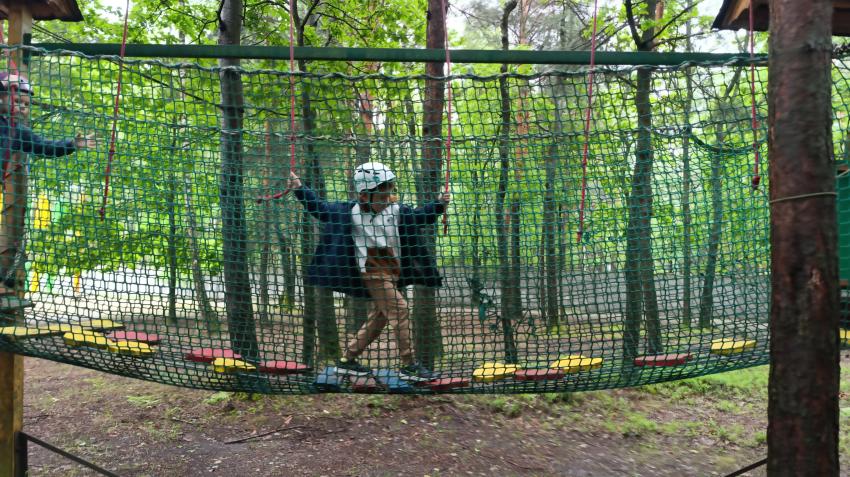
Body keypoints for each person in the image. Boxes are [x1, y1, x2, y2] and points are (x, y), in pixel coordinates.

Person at [289, 162, 451, 382]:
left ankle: (347, 360)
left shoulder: (397, 211)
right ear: (365, 196)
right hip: (372, 271)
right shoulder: (349, 212)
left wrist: (439, 204)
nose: (387, 199)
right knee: (400, 309)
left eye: (389, 193)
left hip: (393, 273)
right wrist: (299, 188)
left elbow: (420, 216)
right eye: (382, 195)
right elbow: (320, 209)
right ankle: (409, 365)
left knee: (379, 318)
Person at [0, 72, 95, 158]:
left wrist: (71, 144)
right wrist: (3, 84)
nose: (23, 107)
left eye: (27, 104)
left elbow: (44, 145)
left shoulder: (17, 132)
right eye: (17, 101)